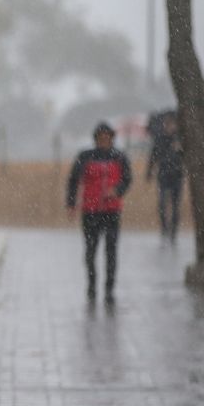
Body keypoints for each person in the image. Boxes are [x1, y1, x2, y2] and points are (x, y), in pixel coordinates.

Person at [66, 121, 132, 305]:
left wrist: (117, 190)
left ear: (112, 139)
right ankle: (92, 286)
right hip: (90, 211)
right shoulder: (85, 156)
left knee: (111, 251)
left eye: (107, 138)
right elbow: (73, 180)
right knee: (90, 251)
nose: (104, 141)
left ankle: (109, 288)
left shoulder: (119, 157)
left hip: (112, 211)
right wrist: (71, 204)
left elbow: (127, 179)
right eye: (100, 138)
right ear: (95, 139)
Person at [146, 111, 183, 243]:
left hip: (177, 176)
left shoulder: (179, 139)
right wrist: (149, 172)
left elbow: (186, 157)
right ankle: (164, 228)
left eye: (172, 124)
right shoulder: (160, 139)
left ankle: (174, 231)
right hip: (163, 176)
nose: (169, 126)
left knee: (175, 205)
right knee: (162, 203)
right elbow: (153, 156)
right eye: (167, 124)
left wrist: (180, 150)